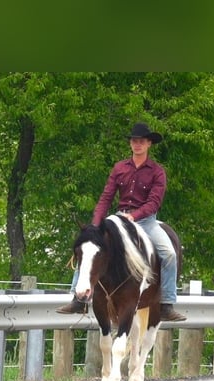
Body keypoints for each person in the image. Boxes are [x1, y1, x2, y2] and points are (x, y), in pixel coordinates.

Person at [57, 122, 186, 322]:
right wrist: (95, 224)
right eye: (134, 141)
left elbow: (154, 202)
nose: (137, 144)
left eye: (141, 141)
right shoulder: (119, 168)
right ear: (131, 143)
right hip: (119, 218)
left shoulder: (157, 172)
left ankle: (167, 304)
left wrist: (134, 216)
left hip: (146, 221)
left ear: (149, 143)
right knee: (88, 245)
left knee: (169, 254)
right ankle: (78, 298)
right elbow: (106, 197)